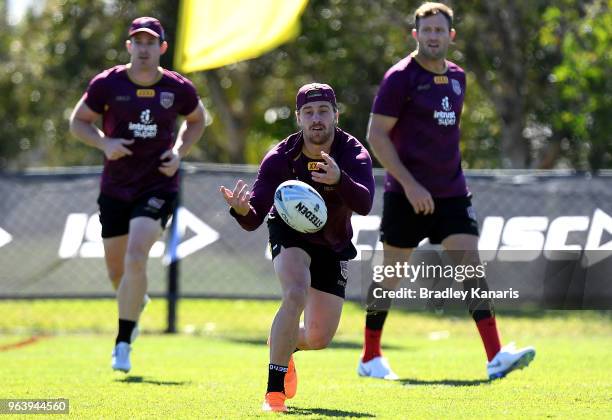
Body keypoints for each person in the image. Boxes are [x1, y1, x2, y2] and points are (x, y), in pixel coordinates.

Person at [358, 2, 535, 381]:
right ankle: (369, 357)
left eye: (440, 30)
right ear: (415, 35)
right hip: (406, 195)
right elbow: (376, 136)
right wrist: (410, 184)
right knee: (390, 274)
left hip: (452, 193)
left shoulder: (459, 77)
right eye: (427, 30)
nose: (433, 36)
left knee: (471, 266)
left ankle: (496, 356)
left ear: (451, 36)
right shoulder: (399, 78)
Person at [220, 83, 374, 412]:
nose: (316, 119)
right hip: (290, 233)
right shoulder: (281, 157)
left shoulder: (352, 152)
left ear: (336, 114)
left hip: (333, 244)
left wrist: (339, 180)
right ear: (298, 118)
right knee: (295, 292)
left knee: (318, 338)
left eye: (322, 111)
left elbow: (365, 203)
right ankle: (274, 393)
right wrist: (242, 210)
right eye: (308, 112)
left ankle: (282, 343)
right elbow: (255, 216)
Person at [69, 17, 206, 373]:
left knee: (135, 256)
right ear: (129, 46)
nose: (144, 48)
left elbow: (197, 120)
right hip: (115, 186)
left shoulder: (178, 87)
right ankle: (135, 300)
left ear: (162, 47)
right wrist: (104, 142)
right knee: (118, 272)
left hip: (158, 184)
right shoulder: (107, 83)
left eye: (151, 42)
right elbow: (77, 121)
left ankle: (122, 343)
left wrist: (178, 152)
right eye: (137, 41)